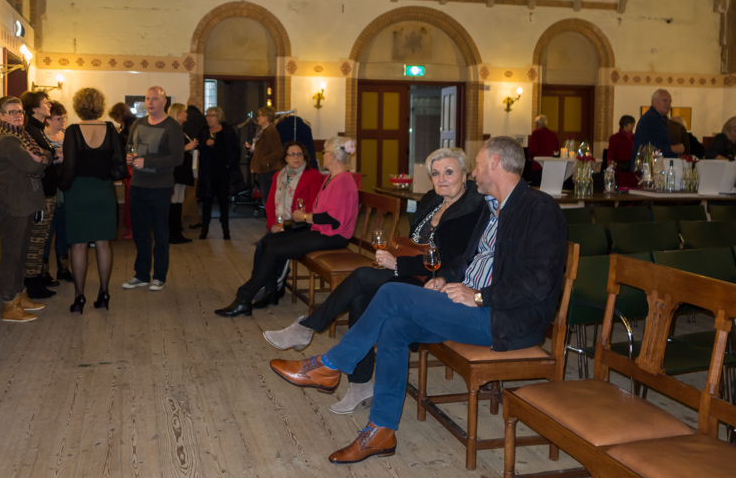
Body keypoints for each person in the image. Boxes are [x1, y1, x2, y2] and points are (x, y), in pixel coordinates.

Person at [269, 137, 566, 464]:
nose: (474, 172)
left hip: (503, 318)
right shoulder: (491, 207)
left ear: (495, 163)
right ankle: (381, 430)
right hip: (467, 304)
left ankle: (330, 365)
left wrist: (480, 295)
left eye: (478, 165)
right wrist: (445, 278)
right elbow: (467, 261)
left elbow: (538, 281)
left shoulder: (539, 208)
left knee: (391, 293)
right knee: (394, 327)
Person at [264, 147, 485, 415]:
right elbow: (414, 242)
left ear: (464, 174)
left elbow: (454, 263)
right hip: (411, 272)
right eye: (436, 173)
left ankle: (308, 328)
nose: (442, 179)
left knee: (362, 275)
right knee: (361, 298)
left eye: (449, 172)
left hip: (435, 284)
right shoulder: (432, 200)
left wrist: (398, 264)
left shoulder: (472, 209)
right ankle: (359, 384)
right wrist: (397, 260)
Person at [215, 136, 360, 317]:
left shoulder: (342, 181)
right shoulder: (333, 177)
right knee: (269, 242)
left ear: (332, 156)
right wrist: (292, 222)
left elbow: (334, 220)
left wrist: (304, 217)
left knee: (275, 249)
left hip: (333, 236)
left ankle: (243, 298)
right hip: (320, 230)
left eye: (324, 152)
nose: (322, 155)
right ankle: (261, 294)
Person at [60, 88, 124, 313]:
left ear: (78, 106)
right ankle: (104, 292)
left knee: (78, 245)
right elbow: (119, 162)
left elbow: (69, 166)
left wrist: (63, 186)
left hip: (78, 191)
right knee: (103, 244)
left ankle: (79, 297)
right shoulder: (111, 129)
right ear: (100, 105)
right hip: (103, 190)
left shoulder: (72, 131)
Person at [0, 96, 51, 323]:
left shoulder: (22, 137)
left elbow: (46, 155)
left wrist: (41, 158)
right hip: (13, 206)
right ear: (1, 116)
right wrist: (40, 160)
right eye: (12, 112)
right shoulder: (7, 141)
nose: (18, 115)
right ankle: (9, 304)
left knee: (21, 254)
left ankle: (19, 296)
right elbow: (32, 165)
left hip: (25, 204)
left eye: (20, 111)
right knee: (11, 256)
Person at [122, 86, 185, 292]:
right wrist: (129, 157)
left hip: (160, 187)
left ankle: (159, 276)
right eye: (148, 98)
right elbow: (130, 147)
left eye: (155, 99)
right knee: (140, 233)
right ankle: (141, 275)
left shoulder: (172, 126)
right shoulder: (138, 123)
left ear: (164, 102)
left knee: (160, 233)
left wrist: (146, 161)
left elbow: (177, 158)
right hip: (138, 184)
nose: (150, 102)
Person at [259, 140, 324, 297]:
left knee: (275, 244)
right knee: (263, 244)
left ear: (304, 156)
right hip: (280, 223)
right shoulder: (279, 175)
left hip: (300, 225)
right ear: (286, 158)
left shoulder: (313, 175)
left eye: (299, 154)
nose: (296, 157)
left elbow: (312, 207)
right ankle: (265, 284)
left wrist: (286, 225)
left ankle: (273, 288)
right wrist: (272, 225)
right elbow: (270, 204)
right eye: (292, 154)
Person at [19, 90, 60, 299]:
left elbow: (46, 156)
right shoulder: (30, 131)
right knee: (36, 240)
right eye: (45, 102)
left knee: (42, 238)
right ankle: (32, 284)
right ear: (34, 108)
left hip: (47, 192)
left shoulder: (38, 129)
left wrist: (52, 156)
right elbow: (36, 162)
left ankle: (37, 280)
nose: (49, 105)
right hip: (40, 194)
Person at [196, 106, 241, 240]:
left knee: (223, 201)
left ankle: (226, 231)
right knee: (207, 201)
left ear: (219, 117)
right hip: (207, 172)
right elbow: (196, 147)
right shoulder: (203, 131)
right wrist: (205, 144)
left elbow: (236, 150)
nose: (208, 118)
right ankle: (204, 230)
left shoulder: (228, 131)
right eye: (207, 115)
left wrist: (228, 164)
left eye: (212, 115)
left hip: (223, 172)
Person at [41, 100, 73, 283]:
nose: (63, 121)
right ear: (48, 119)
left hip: (67, 187)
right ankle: (44, 271)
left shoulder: (68, 136)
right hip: (49, 188)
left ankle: (63, 268)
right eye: (58, 118)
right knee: (47, 230)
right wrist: (56, 159)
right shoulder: (42, 137)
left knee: (64, 229)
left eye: (64, 117)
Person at [167, 103, 199, 244]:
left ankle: (177, 231)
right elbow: (171, 150)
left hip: (182, 170)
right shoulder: (173, 129)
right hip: (176, 170)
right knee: (174, 200)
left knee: (179, 200)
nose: (187, 114)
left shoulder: (180, 129)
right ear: (178, 114)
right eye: (184, 112)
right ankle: (173, 234)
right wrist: (188, 147)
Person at [109, 102, 138, 240]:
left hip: (133, 167)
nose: (116, 120)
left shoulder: (132, 126)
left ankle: (133, 228)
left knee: (132, 201)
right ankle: (129, 227)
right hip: (130, 167)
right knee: (128, 200)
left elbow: (128, 146)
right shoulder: (128, 125)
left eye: (116, 117)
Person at [632, 89, 684, 163]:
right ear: (654, 102)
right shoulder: (649, 119)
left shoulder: (659, 119)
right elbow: (648, 147)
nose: (668, 104)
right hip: (649, 166)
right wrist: (672, 149)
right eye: (664, 101)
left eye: (670, 101)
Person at [249, 105, 285, 206]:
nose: (257, 118)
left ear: (266, 117)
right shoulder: (263, 131)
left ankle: (270, 217)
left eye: (260, 115)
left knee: (268, 201)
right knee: (267, 200)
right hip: (264, 170)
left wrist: (264, 161)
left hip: (269, 170)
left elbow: (278, 151)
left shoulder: (271, 131)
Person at [182, 96, 206, 229]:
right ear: (199, 106)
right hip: (195, 158)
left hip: (183, 159)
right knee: (192, 190)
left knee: (187, 190)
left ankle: (194, 220)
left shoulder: (183, 119)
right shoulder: (201, 118)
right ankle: (179, 218)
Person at [527, 115, 560, 184]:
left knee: (537, 186)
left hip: (538, 165)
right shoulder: (552, 134)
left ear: (537, 124)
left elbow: (533, 150)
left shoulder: (536, 133)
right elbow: (556, 150)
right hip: (550, 165)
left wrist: (529, 157)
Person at [607, 114, 637, 188]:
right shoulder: (615, 138)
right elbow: (611, 155)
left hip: (633, 170)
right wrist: (611, 167)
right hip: (621, 170)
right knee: (622, 188)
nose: (633, 125)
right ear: (625, 125)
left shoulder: (635, 137)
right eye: (631, 123)